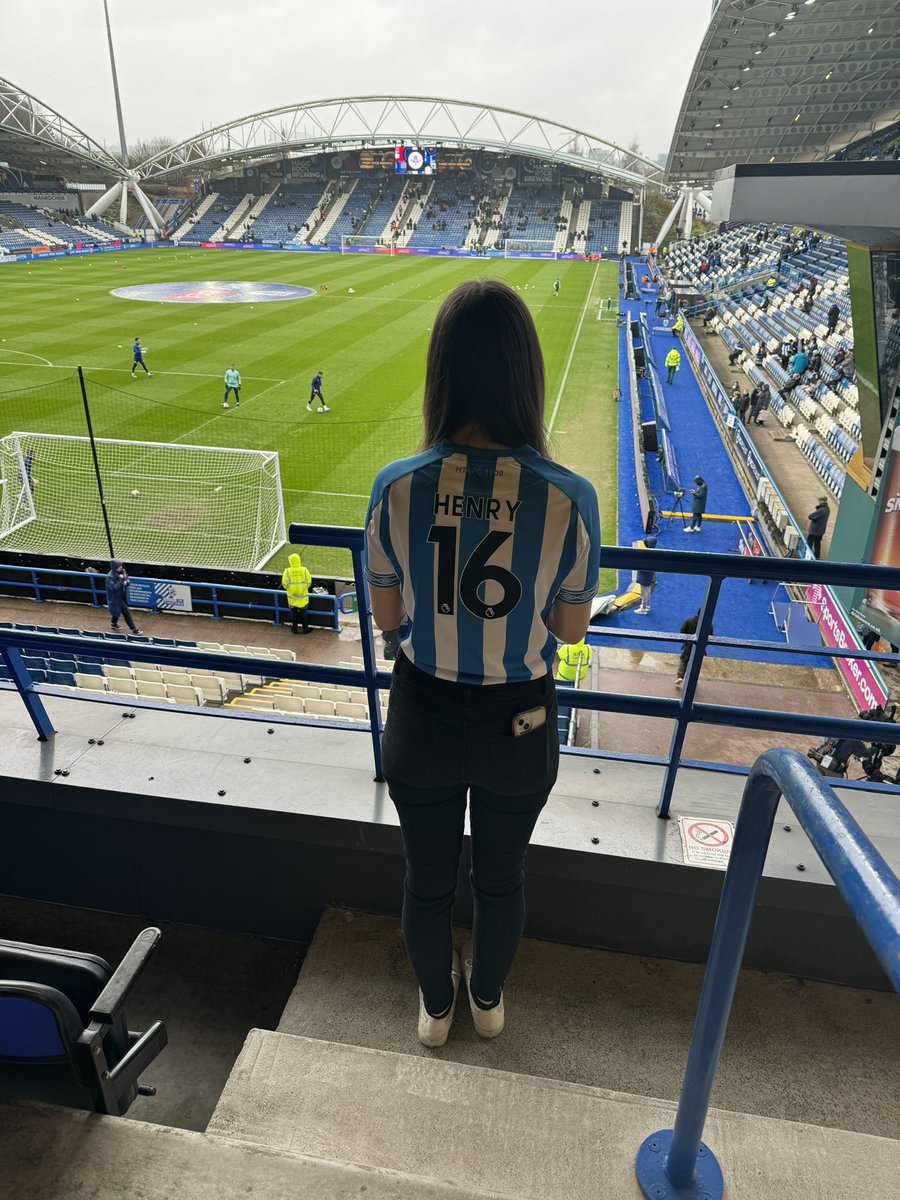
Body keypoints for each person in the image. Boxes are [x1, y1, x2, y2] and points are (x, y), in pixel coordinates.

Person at [364, 278, 600, 1048]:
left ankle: (436, 1008)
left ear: (441, 373)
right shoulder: (568, 497)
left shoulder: (394, 488)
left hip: (422, 712)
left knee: (424, 882)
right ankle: (488, 1000)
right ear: (524, 374)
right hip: (519, 721)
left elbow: (388, 618)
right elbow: (568, 632)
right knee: (502, 880)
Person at [675, 609, 712, 687]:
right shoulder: (708, 624)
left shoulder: (689, 620)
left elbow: (682, 630)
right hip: (699, 648)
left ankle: (680, 676)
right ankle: (692, 679)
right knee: (695, 663)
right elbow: (710, 636)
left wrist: (685, 642)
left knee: (684, 660)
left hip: (688, 645)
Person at [105, 560, 142, 633]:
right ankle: (133, 629)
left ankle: (113, 623)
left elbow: (127, 579)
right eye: (119, 566)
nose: (121, 567)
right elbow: (114, 588)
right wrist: (121, 580)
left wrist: (126, 582)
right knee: (125, 611)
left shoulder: (123, 571)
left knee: (117, 610)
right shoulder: (109, 577)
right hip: (115, 597)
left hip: (122, 594)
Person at [281, 551, 312, 634]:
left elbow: (284, 584)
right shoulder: (304, 570)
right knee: (303, 614)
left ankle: (294, 629)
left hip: (291, 598)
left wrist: (291, 590)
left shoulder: (287, 571)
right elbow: (309, 582)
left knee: (293, 614)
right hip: (303, 597)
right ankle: (305, 629)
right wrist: (303, 589)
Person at [635, 536, 657, 613]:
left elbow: (641, 565)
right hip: (649, 576)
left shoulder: (647, 554)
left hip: (645, 576)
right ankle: (646, 606)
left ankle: (644, 608)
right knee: (647, 591)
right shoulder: (654, 552)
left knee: (644, 592)